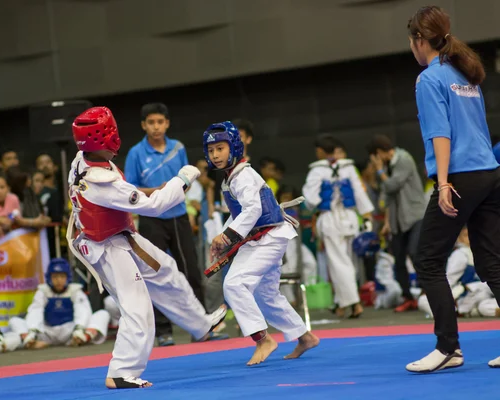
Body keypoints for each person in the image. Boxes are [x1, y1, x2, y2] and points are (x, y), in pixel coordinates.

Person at [66, 106, 226, 389]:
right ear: (106, 137)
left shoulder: (82, 159)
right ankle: (121, 371)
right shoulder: (102, 180)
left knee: (166, 270)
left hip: (120, 235)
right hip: (107, 248)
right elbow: (153, 206)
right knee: (137, 307)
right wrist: (183, 179)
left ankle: (200, 324)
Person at [405, 6, 500, 372]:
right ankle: (449, 347)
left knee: (428, 260)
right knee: (491, 262)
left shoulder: (429, 79)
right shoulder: (464, 74)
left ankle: (448, 348)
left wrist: (443, 182)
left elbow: (439, 133)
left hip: (461, 176)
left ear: (419, 41)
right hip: (490, 173)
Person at [204, 121, 319, 366]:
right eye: (211, 150)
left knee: (234, 284)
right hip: (264, 237)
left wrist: (226, 236)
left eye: (220, 148)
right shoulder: (231, 178)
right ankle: (304, 336)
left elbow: (254, 208)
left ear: (234, 147)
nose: (215, 155)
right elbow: (238, 215)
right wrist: (222, 237)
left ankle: (263, 339)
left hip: (268, 238)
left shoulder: (243, 175)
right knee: (266, 295)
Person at [124, 103, 223, 346]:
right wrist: (159, 191)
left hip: (178, 217)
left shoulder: (177, 148)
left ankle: (203, 327)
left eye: (160, 122)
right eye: (151, 123)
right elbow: (130, 188)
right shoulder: (136, 153)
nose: (156, 127)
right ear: (143, 126)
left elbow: (186, 182)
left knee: (190, 270)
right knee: (155, 276)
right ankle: (164, 331)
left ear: (167, 123)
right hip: (150, 219)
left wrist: (176, 195)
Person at [302, 134, 374, 318]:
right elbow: (359, 192)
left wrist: (318, 203)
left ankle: (354, 303)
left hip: (330, 220)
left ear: (320, 151)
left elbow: (310, 199)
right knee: (348, 262)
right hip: (350, 218)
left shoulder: (317, 171)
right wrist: (366, 216)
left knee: (339, 264)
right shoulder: (348, 168)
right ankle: (343, 304)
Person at [367, 134, 428, 312]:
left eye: (374, 157)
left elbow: (393, 185)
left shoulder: (404, 159)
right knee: (399, 258)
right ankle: (408, 297)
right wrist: (386, 221)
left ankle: (427, 292)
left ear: (378, 153)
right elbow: (387, 195)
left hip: (415, 215)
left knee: (415, 252)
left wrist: (379, 171)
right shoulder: (386, 166)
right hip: (397, 220)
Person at [9, 258, 110, 349]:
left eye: (62, 276)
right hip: (46, 332)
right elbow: (36, 310)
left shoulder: (75, 290)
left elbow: (83, 310)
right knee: (14, 320)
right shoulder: (43, 291)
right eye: (55, 277)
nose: (59, 280)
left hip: (70, 331)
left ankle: (82, 338)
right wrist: (33, 331)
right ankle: (31, 340)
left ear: (68, 277)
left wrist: (79, 329)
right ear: (49, 278)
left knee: (102, 314)